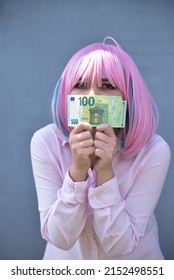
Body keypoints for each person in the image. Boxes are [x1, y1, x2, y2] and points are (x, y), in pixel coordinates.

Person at [30, 37, 171, 260]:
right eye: (81, 85)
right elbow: (59, 238)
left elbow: (119, 247)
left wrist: (105, 173)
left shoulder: (154, 150)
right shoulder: (46, 142)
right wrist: (77, 172)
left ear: (127, 96)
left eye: (107, 86)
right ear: (68, 94)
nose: (92, 97)